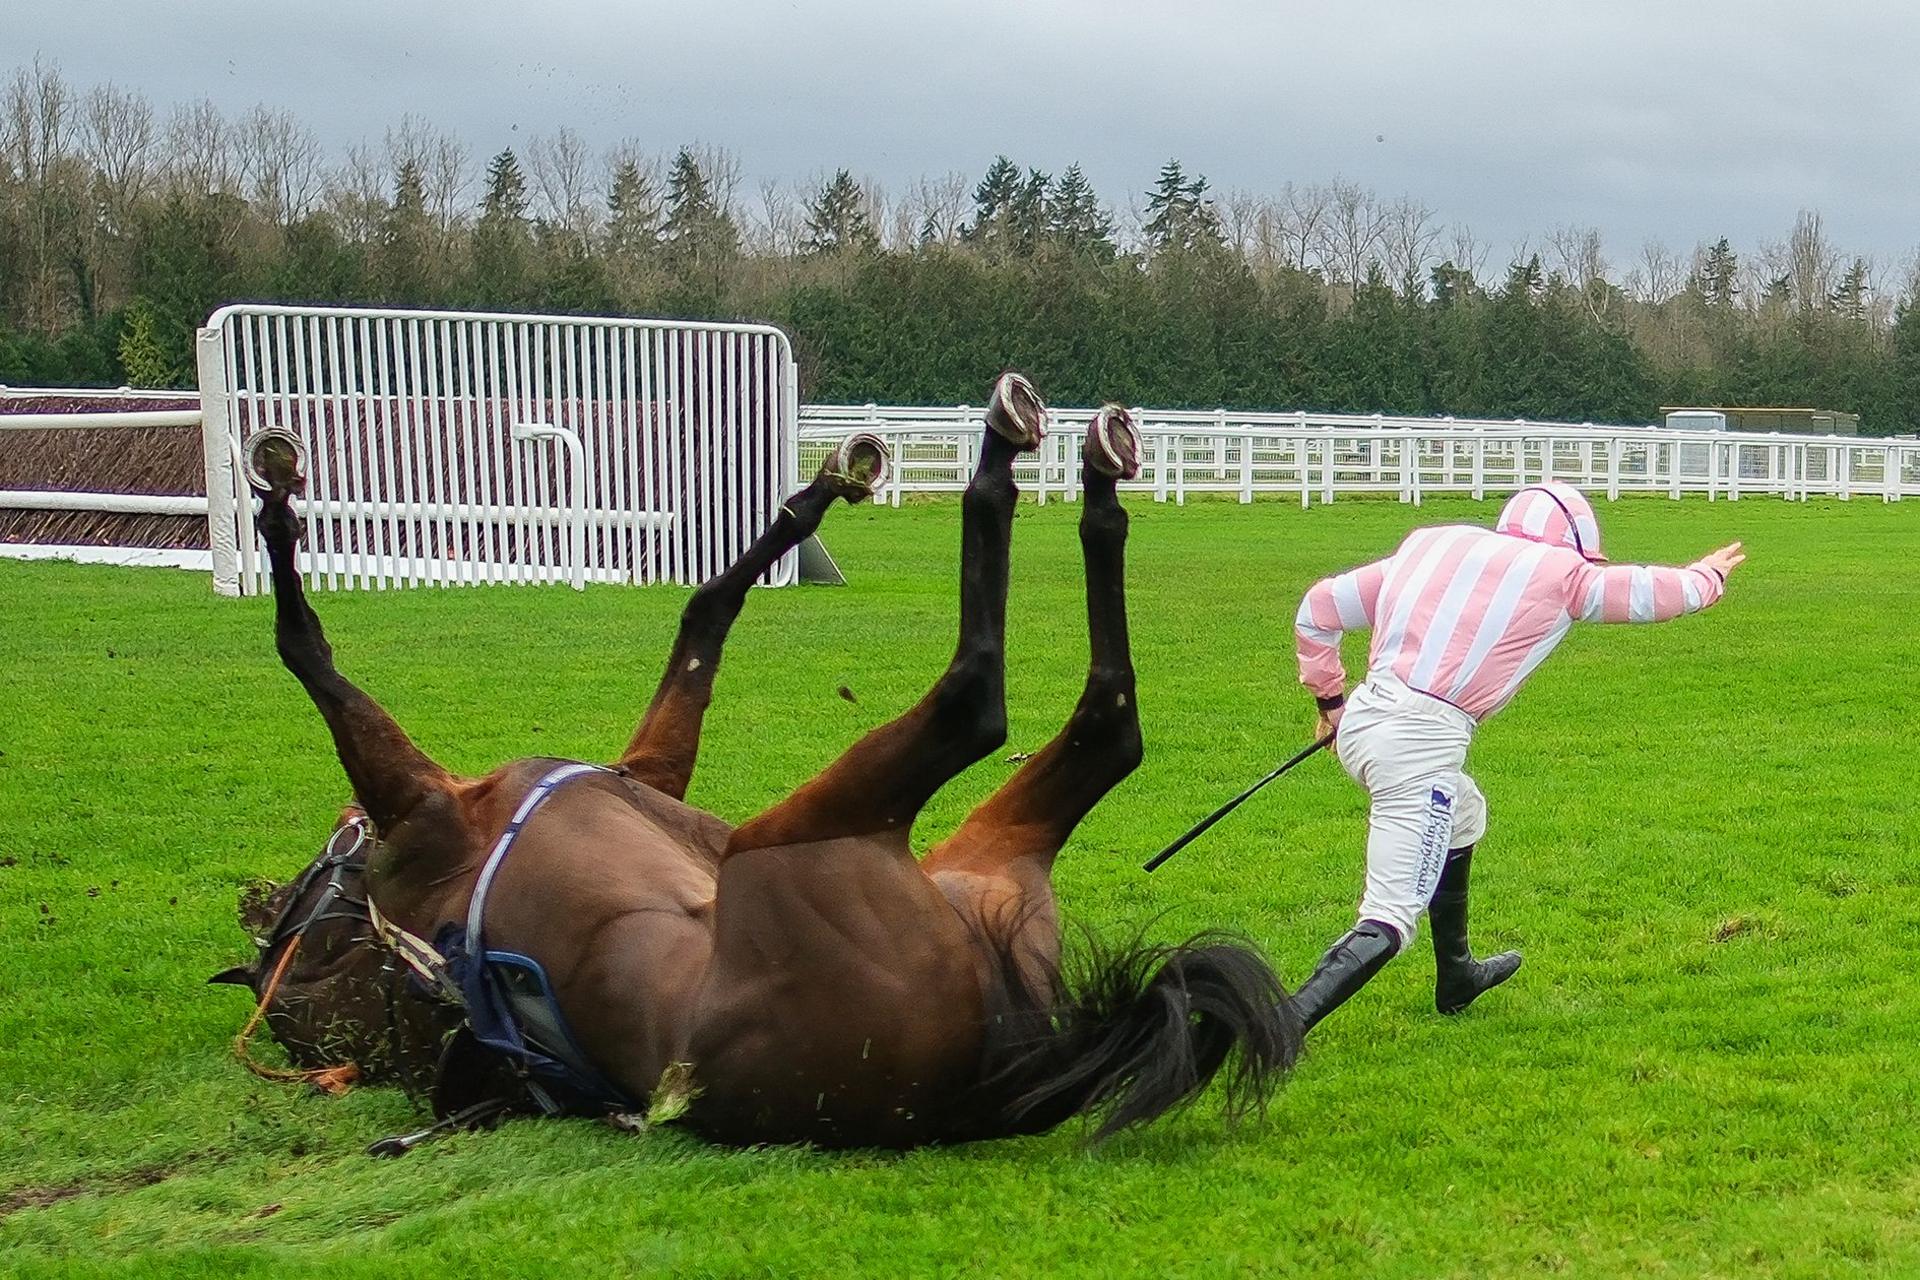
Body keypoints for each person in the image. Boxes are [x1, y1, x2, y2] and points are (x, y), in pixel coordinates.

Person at [1290, 482, 1745, 1030]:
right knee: (1389, 919)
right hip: (1420, 743)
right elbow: (1653, 594)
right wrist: (1709, 574)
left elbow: (1317, 608)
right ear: (1574, 544)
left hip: (1368, 716)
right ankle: (1270, 1028)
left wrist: (1332, 705)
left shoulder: (1430, 543)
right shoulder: (1564, 573)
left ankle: (1457, 972)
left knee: (1464, 812)